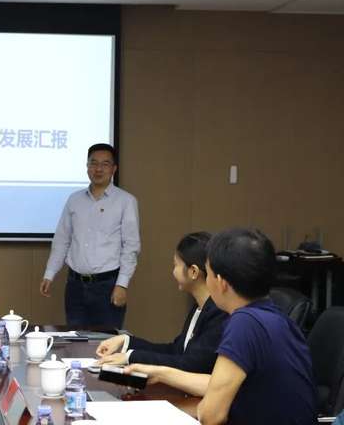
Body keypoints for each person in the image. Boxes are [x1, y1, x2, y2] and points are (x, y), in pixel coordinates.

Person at [124, 228, 317, 425]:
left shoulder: (244, 323)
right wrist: (161, 374)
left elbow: (211, 416)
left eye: (208, 273)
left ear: (221, 282)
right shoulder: (277, 318)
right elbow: (218, 384)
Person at [40, 143, 140, 328]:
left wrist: (122, 285)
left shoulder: (126, 201)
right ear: (87, 166)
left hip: (108, 285)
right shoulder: (74, 200)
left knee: (106, 341)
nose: (98, 169)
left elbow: (131, 247)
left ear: (114, 169)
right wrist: (50, 273)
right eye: (93, 163)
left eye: (105, 164)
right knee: (74, 339)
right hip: (75, 286)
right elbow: (62, 239)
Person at [95, 232, 227, 373]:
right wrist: (126, 341)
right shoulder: (199, 307)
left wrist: (130, 357)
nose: (173, 272)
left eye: (176, 265)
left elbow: (191, 365)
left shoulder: (218, 313)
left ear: (193, 271)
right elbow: (175, 351)